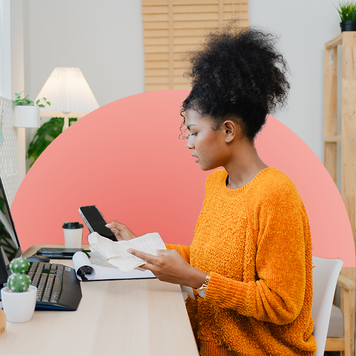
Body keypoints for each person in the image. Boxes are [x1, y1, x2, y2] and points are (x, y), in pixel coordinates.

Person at [106, 25, 317, 356]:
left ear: (228, 130)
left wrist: (194, 279)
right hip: (205, 341)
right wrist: (141, 247)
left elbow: (281, 303)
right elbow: (209, 258)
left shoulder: (276, 193)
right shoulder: (216, 184)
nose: (188, 143)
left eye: (193, 131)